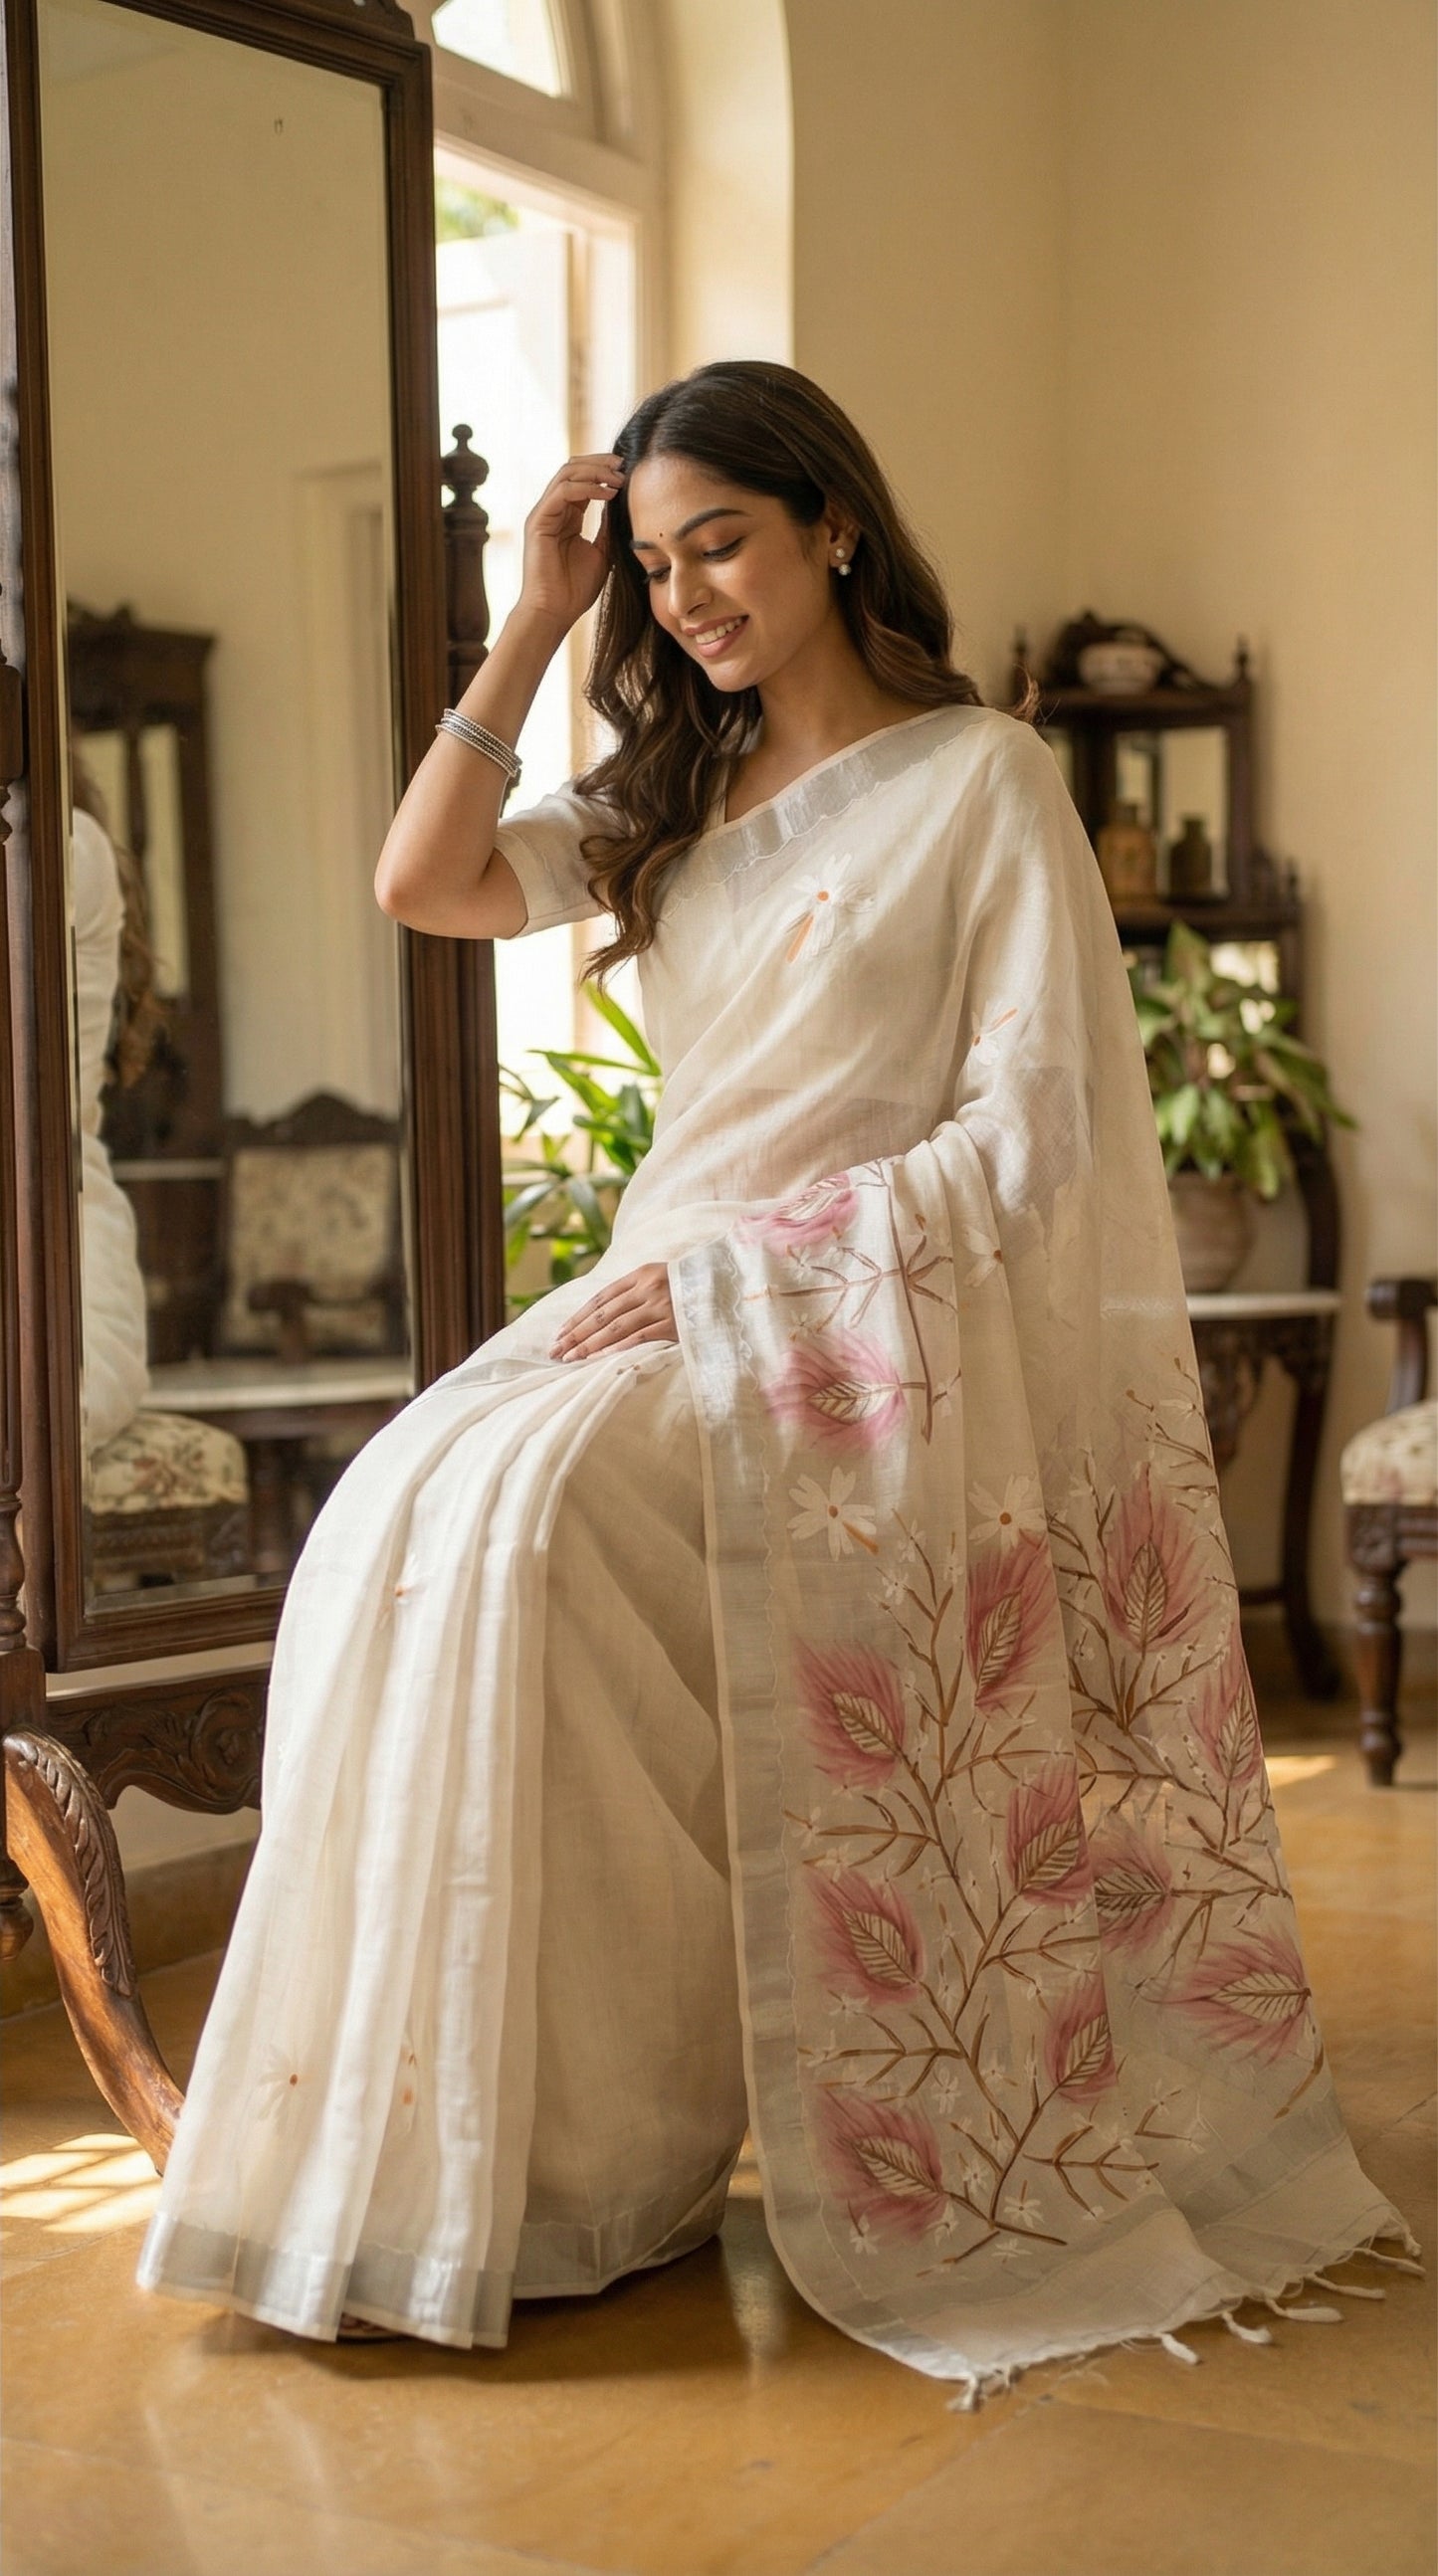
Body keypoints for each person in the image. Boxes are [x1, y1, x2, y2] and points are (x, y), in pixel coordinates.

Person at [138, 362, 1410, 2396]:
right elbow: (428, 881)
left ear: (831, 520)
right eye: (657, 560)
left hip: (843, 1326)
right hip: (665, 1291)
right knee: (409, 1502)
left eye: (715, 538)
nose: (691, 589)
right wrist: (536, 621)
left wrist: (761, 1281)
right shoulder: (671, 793)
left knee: (538, 1517)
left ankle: (595, 2153)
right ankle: (481, 2170)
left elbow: (1036, 1133)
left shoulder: (984, 778)